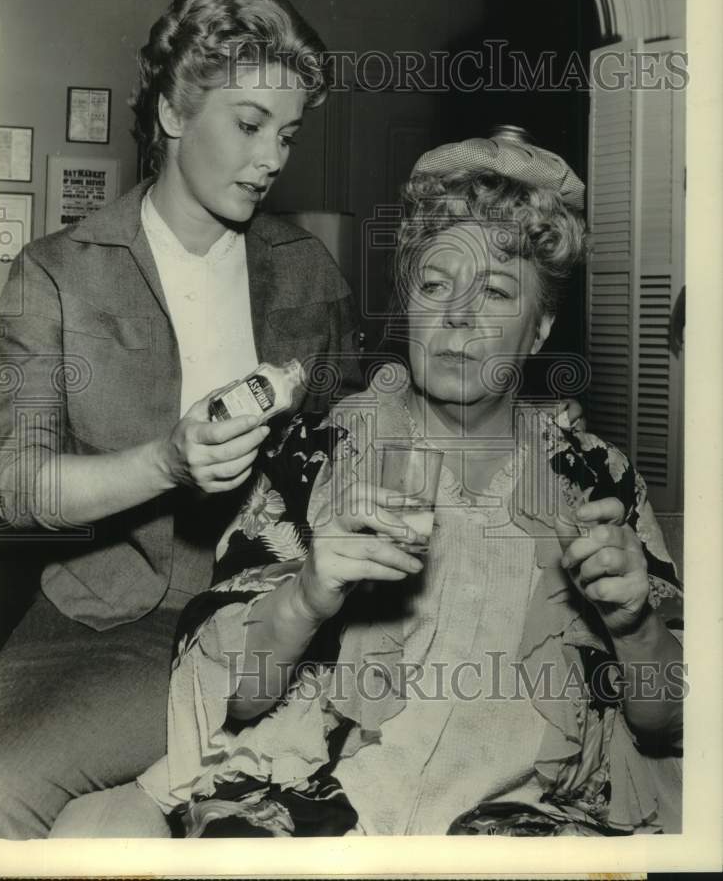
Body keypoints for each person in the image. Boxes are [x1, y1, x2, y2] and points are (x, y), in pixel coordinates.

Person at [49, 132, 682, 838]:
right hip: (310, 809)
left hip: (521, 827)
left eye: (497, 292)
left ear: (538, 329)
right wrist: (308, 593)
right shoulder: (314, 454)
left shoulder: (600, 480)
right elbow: (224, 699)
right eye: (434, 286)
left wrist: (635, 625)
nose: (457, 316)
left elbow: (665, 722)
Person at [0, 0, 363, 838]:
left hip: (263, 616)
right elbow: (14, 483)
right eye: (249, 122)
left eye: (289, 133)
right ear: (171, 112)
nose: (273, 157)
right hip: (95, 615)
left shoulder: (311, 275)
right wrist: (166, 462)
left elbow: (355, 454)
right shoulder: (58, 272)